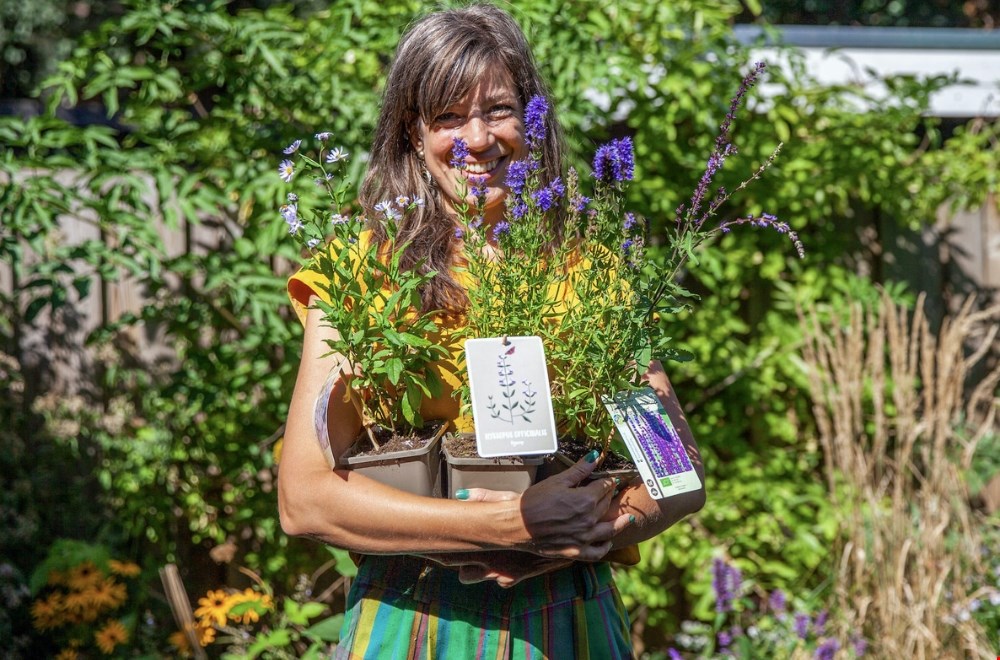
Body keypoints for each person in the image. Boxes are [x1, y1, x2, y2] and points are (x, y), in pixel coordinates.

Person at [278, 4, 706, 658]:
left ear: (532, 121)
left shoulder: (588, 273)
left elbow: (677, 473)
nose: (476, 139)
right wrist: (507, 525)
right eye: (448, 117)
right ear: (411, 132)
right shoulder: (362, 274)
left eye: (499, 110)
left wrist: (595, 528)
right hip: (413, 617)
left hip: (569, 619)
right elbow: (304, 499)